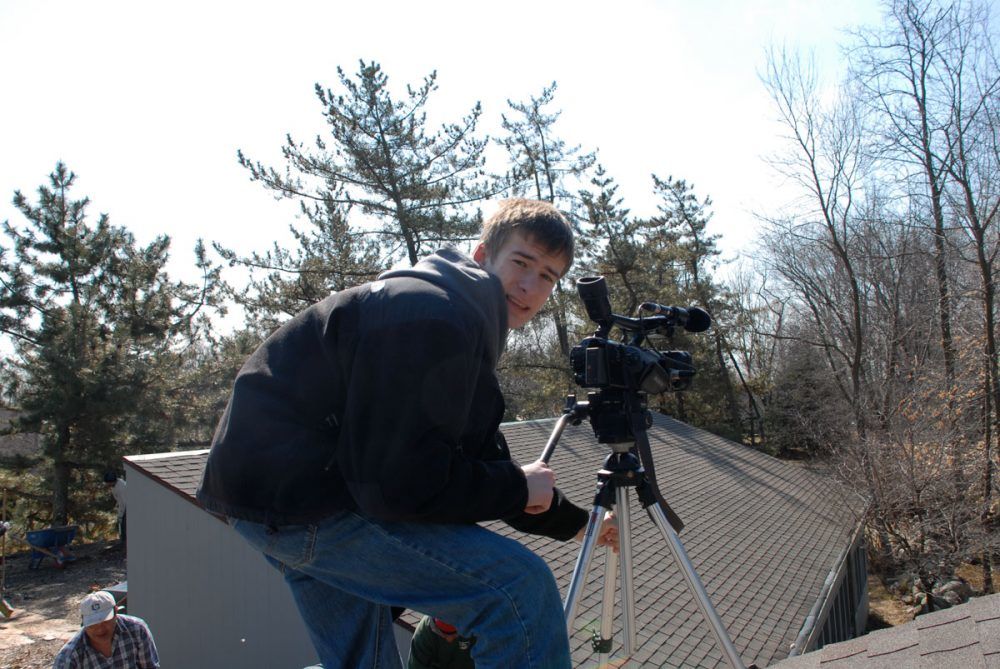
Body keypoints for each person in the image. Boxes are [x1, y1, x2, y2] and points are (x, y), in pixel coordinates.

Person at [196, 198, 617, 669]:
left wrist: (576, 522)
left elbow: (478, 460)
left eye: (547, 276)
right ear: (482, 257)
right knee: (519, 590)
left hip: (268, 500)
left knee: (366, 658)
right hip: (305, 501)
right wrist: (518, 487)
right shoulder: (431, 316)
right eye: (521, 262)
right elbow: (399, 485)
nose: (529, 286)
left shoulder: (448, 313)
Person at [53, 590, 159, 668]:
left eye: (105, 621)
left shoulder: (137, 630)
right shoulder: (69, 657)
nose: (100, 629)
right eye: (93, 624)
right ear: (83, 622)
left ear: (116, 612)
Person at [408, 615, 475, 669]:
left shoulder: (477, 624)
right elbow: (416, 666)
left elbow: (484, 660)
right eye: (443, 634)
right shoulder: (423, 634)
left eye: (454, 635)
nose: (449, 640)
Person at [103, 471, 126, 546]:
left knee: (124, 525)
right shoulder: (114, 486)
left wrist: (121, 515)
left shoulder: (121, 487)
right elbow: (119, 500)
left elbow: (124, 503)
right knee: (121, 525)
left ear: (112, 481)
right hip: (122, 507)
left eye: (108, 483)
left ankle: (124, 543)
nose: (108, 485)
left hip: (127, 508)